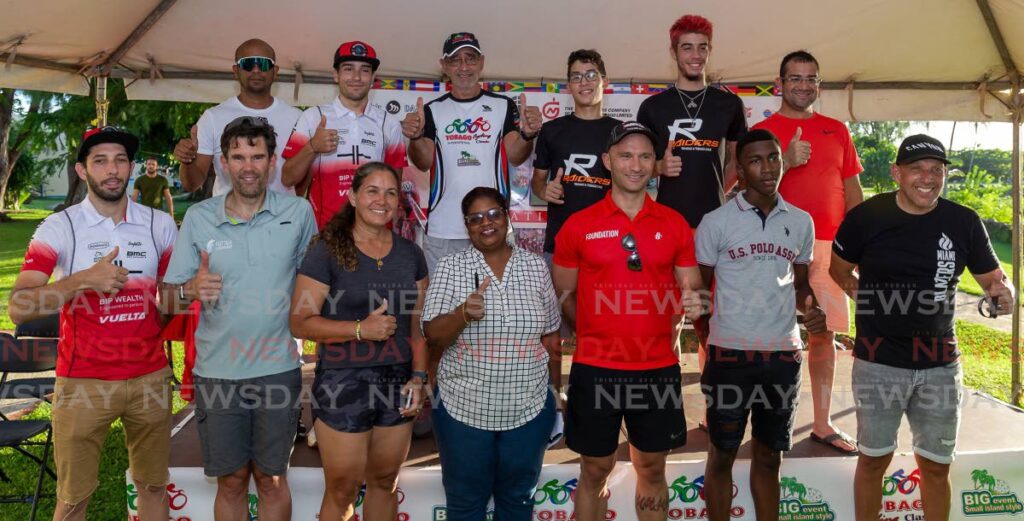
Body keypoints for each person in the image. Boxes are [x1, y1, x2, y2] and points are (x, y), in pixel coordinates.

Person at [830, 134, 1015, 521]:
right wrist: (865, 300)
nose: (927, 178)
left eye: (936, 170)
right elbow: (839, 269)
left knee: (935, 465)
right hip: (878, 363)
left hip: (940, 365)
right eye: (917, 169)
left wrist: (1003, 292)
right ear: (897, 173)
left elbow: (993, 281)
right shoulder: (867, 217)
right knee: (872, 461)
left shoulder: (963, 221)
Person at [8, 126, 177, 521]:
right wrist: (83, 280)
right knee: (72, 500)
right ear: (82, 171)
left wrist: (193, 292)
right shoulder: (60, 226)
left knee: (153, 486)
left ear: (132, 168)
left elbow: (169, 304)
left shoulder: (159, 225)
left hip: (149, 376)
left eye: (120, 160)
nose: (112, 170)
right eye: (100, 161)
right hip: (82, 379)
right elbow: (19, 307)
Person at [162, 116, 317, 521]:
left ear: (271, 163)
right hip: (217, 373)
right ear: (224, 165)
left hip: (279, 368)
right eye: (238, 156)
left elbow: (315, 287)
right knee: (231, 480)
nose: (248, 165)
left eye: (258, 156)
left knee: (271, 479)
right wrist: (187, 291)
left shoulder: (299, 213)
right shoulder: (198, 218)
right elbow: (166, 303)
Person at [552, 121, 703, 521]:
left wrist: (693, 300)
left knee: (652, 468)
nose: (635, 165)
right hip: (595, 368)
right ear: (607, 161)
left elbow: (692, 287)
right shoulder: (578, 225)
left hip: (656, 369)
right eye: (625, 155)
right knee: (594, 469)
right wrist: (593, 333)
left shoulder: (674, 224)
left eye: (645, 156)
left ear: (656, 164)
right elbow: (564, 294)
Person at [695, 129, 826, 521]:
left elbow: (802, 286)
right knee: (722, 453)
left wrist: (812, 310)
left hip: (783, 356)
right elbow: (701, 293)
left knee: (769, 456)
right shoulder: (715, 222)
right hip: (730, 357)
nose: (767, 168)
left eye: (773, 158)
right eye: (756, 160)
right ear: (740, 168)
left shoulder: (801, 222)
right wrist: (712, 340)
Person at [289, 161, 428, 520]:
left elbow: (418, 328)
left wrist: (420, 377)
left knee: (385, 481)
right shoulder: (327, 249)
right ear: (352, 196)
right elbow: (299, 322)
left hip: (398, 381)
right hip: (342, 380)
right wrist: (359, 329)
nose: (381, 200)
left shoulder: (411, 254)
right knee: (342, 488)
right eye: (372, 190)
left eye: (391, 192)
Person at [422, 187, 562, 521]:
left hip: (528, 411)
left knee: (517, 502)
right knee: (466, 504)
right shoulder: (450, 267)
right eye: (475, 218)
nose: (486, 223)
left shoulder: (536, 267)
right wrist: (463, 315)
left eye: (494, 214)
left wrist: (555, 398)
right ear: (466, 226)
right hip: (463, 412)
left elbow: (551, 336)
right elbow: (432, 334)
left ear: (507, 216)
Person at [752, 50, 863, 454]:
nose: (803, 85)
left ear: (819, 83)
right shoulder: (762, 133)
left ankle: (822, 422)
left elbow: (852, 191)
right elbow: (743, 192)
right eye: (795, 78)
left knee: (823, 333)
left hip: (828, 245)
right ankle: (761, 423)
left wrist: (859, 243)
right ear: (780, 83)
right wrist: (786, 162)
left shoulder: (837, 130)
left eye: (811, 78)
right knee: (764, 336)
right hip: (772, 244)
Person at [636, 14, 747, 402]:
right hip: (665, 228)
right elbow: (637, 165)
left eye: (702, 47)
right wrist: (657, 169)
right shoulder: (653, 108)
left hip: (715, 229)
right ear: (674, 52)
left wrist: (720, 189)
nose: (695, 55)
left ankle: (714, 401)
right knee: (666, 317)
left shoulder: (728, 105)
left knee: (712, 322)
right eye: (687, 47)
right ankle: (660, 398)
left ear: (709, 51)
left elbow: (738, 159)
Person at [401, 32, 541, 273]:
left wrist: (527, 134)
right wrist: (415, 137)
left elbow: (516, 156)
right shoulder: (433, 110)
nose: (464, 66)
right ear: (444, 66)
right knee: (445, 308)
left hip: (493, 228)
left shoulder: (502, 105)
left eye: (470, 58)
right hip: (444, 230)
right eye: (455, 60)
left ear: (482, 62)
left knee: (498, 307)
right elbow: (423, 162)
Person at [281, 41, 408, 229]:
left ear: (373, 77)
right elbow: (287, 178)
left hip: (375, 233)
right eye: (348, 69)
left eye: (365, 70)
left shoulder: (388, 123)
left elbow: (394, 187)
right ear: (336, 75)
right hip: (327, 232)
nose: (356, 77)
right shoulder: (313, 117)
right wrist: (312, 147)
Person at [173, 38, 301, 196]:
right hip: (228, 219)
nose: (256, 70)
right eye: (248, 64)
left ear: (275, 71)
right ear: (235, 71)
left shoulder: (297, 118)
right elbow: (192, 184)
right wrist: (187, 160)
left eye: (263, 64)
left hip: (282, 217)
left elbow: (304, 178)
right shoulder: (213, 117)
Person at [531, 49, 619, 266]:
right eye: (576, 76)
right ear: (568, 85)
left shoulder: (621, 132)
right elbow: (537, 183)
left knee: (603, 301)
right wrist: (544, 191)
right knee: (561, 301)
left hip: (608, 243)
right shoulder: (551, 130)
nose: (584, 82)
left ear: (604, 81)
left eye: (591, 75)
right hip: (561, 243)